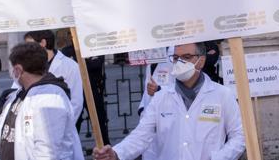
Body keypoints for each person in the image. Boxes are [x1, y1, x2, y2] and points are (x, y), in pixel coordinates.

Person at [92, 42, 245, 160]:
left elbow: (239, 136)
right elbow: (141, 135)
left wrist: (219, 158)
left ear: (201, 60)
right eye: (176, 58)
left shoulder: (222, 95)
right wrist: (116, 153)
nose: (179, 63)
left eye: (186, 57)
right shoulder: (161, 97)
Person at [0, 42, 84, 160]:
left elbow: (48, 152)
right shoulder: (17, 95)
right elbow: (5, 133)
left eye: (13, 68)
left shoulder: (50, 98)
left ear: (18, 70)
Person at [59, 29, 110, 145]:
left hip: (92, 89)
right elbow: (65, 68)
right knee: (74, 120)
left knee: (99, 119)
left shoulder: (93, 49)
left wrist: (80, 62)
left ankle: (105, 146)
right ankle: (72, 148)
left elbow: (96, 65)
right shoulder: (66, 51)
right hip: (74, 90)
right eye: (71, 34)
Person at [23, 30, 83, 120]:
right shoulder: (27, 65)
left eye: (30, 45)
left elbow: (76, 102)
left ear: (43, 43)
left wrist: (64, 125)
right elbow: (17, 91)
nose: (27, 50)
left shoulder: (70, 66)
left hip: (62, 122)